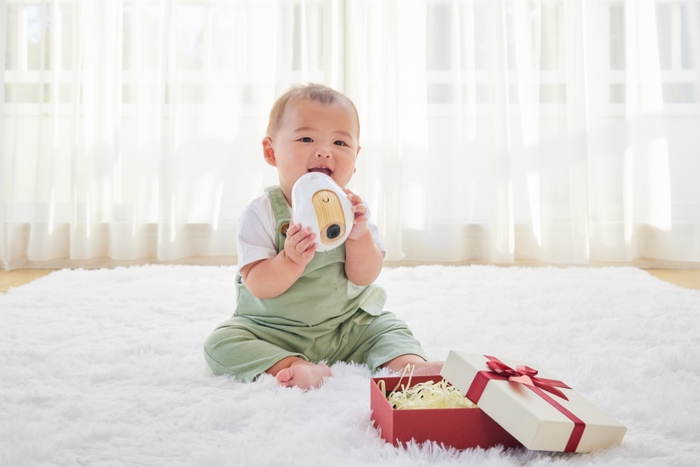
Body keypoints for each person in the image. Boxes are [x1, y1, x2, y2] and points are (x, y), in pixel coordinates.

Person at [203, 83, 442, 390]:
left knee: (387, 327)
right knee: (221, 342)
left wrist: (359, 237)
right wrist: (289, 260)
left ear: (355, 157)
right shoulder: (262, 213)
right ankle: (292, 364)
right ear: (271, 151)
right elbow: (258, 285)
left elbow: (365, 276)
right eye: (306, 138)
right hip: (274, 330)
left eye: (340, 143)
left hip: (348, 327)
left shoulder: (354, 212)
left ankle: (411, 366)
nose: (324, 150)